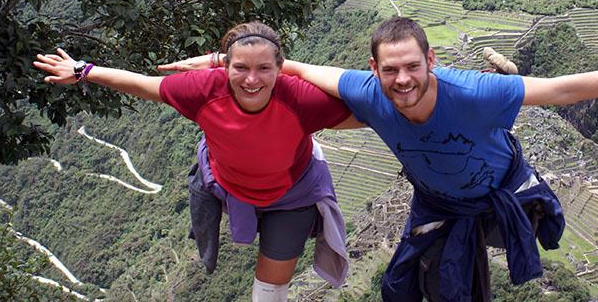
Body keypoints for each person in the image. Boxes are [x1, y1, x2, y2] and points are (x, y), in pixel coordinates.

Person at [164, 16, 598, 301]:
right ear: (374, 70)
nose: (401, 80)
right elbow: (294, 69)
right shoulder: (365, 91)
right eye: (389, 70)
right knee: (403, 288)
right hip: (435, 202)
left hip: (503, 194)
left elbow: (562, 89)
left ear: (430, 59)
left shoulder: (475, 92)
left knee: (477, 273)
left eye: (411, 66)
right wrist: (221, 61)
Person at [34, 21, 362, 302]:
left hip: (292, 194)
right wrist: (83, 70)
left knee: (271, 286)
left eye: (264, 68)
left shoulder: (299, 98)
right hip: (228, 183)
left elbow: (371, 104)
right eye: (240, 68)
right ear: (224, 69)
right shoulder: (205, 89)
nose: (251, 80)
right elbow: (144, 85)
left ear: (281, 69)